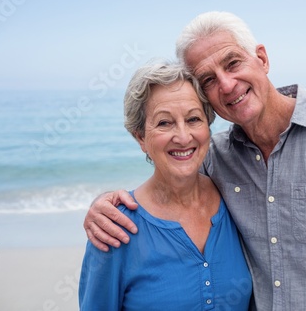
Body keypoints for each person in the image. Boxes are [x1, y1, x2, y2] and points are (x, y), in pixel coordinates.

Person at [83, 12, 306, 310]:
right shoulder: (215, 158)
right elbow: (169, 182)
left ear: (263, 59)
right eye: (208, 79)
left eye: (233, 62)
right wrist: (103, 205)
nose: (227, 84)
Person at [78, 61, 252, 310]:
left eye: (193, 119)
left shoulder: (234, 197)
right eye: (164, 123)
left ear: (208, 125)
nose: (183, 137)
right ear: (140, 137)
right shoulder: (114, 228)